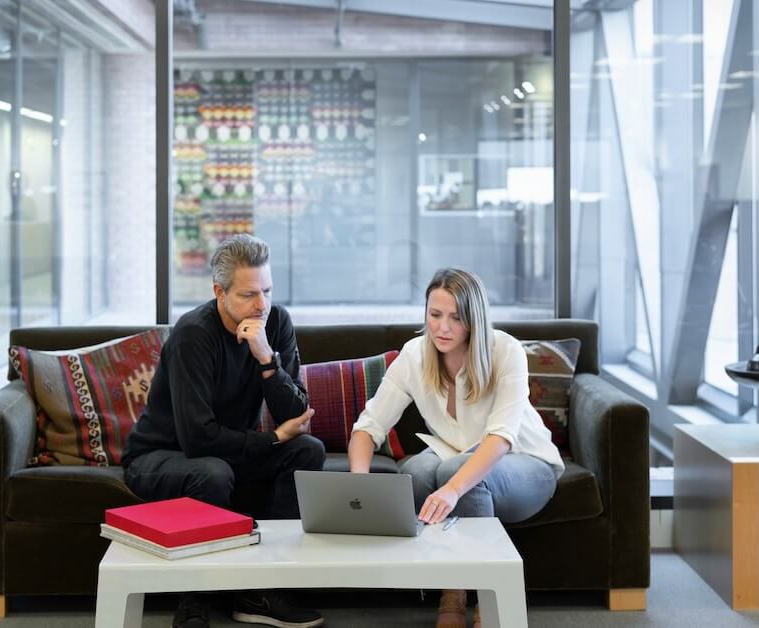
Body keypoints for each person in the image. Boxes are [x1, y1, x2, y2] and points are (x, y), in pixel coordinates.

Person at [122, 234, 325, 628]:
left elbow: (298, 415)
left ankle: (262, 590)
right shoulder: (193, 335)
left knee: (308, 451)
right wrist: (271, 439)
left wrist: (267, 359)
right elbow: (197, 438)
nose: (261, 304)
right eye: (249, 294)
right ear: (219, 291)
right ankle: (195, 598)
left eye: (266, 290)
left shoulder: (276, 322)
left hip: (227, 452)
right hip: (160, 456)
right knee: (213, 471)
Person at [347, 268, 564, 628]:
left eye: (455, 318)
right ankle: (452, 586)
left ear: (474, 320)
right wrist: (359, 486)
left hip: (525, 461)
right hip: (453, 452)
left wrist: (452, 489)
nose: (442, 328)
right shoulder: (415, 355)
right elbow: (367, 428)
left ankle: (484, 595)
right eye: (435, 316)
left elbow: (501, 437)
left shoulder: (505, 351)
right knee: (413, 473)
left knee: (452, 473)